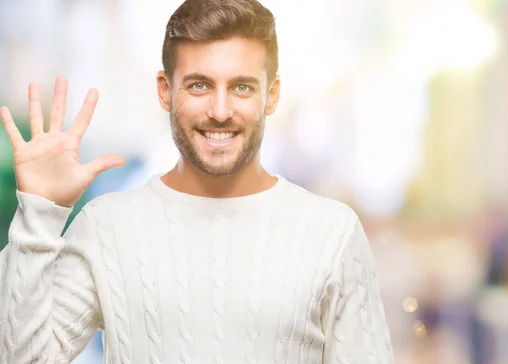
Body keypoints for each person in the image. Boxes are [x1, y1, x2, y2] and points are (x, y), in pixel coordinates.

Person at [0, 0, 394, 363]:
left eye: (241, 87)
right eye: (199, 85)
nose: (220, 111)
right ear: (165, 91)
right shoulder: (107, 227)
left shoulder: (333, 233)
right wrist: (38, 213)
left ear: (271, 96)